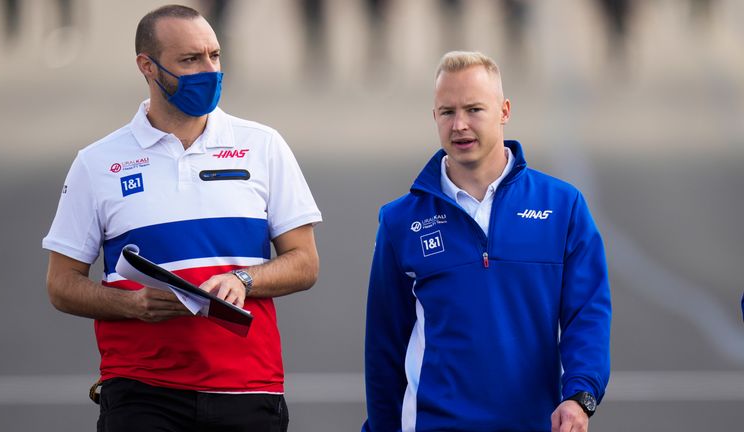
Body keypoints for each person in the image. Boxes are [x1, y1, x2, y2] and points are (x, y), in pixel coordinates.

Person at [42, 5, 321, 431]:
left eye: (214, 55)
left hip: (248, 387)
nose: (208, 70)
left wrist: (244, 280)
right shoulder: (96, 163)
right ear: (147, 66)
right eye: (190, 60)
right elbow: (61, 285)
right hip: (140, 392)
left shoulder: (264, 146)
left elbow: (304, 262)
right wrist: (131, 304)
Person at [363, 51, 611, 432]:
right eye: (447, 112)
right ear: (434, 117)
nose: (459, 125)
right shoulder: (400, 221)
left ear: (504, 111)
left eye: (474, 109)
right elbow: (384, 350)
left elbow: (587, 315)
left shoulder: (562, 206)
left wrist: (580, 398)